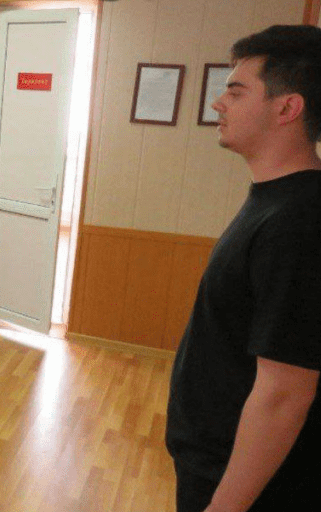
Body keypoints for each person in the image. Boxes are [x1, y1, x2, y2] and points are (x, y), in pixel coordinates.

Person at [166, 25, 321, 512]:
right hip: (212, 463)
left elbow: (285, 393)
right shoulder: (276, 202)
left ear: (287, 108)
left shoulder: (301, 221)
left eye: (235, 92)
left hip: (245, 486)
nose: (218, 104)